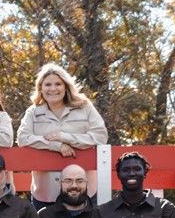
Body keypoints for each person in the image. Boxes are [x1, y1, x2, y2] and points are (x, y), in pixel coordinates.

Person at [15, 63, 107, 206]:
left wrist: (65, 137)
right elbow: (22, 138)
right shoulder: (33, 112)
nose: (53, 89)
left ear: (66, 86)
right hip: (46, 194)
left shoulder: (84, 107)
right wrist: (55, 145)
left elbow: (100, 136)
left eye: (58, 84)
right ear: (41, 88)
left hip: (83, 191)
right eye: (47, 84)